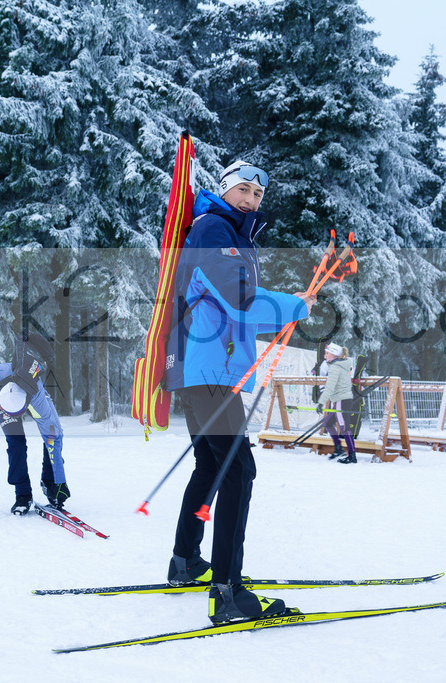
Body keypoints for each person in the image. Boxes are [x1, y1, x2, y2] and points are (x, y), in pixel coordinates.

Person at [163, 160, 315, 624]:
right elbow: (238, 297)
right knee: (237, 470)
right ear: (226, 190)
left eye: (258, 195)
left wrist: (286, 309)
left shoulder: (234, 233)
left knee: (212, 464)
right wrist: (294, 306)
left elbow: (237, 303)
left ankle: (186, 561)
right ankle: (227, 592)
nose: (251, 199)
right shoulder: (213, 229)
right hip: (206, 368)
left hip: (200, 367)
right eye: (244, 190)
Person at [0, 330, 69, 515]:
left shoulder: (36, 399)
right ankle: (22, 495)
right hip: (3, 395)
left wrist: (60, 480)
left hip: (32, 391)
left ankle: (51, 484)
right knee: (16, 444)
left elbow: (53, 438)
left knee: (54, 434)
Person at [317, 342, 357, 464]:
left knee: (344, 428)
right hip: (341, 400)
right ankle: (338, 448)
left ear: (334, 355)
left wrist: (320, 403)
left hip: (341, 400)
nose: (325, 356)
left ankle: (352, 456)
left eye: (327, 353)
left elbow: (330, 387)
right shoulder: (340, 365)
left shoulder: (335, 367)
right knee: (328, 423)